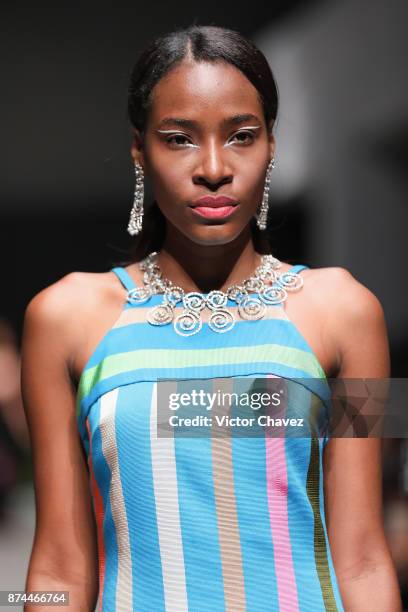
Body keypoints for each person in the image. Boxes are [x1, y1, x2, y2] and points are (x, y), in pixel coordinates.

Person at [21, 25, 402, 612]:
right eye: (179, 139)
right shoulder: (62, 318)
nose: (214, 168)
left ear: (272, 144)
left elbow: (366, 557)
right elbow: (57, 565)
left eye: (242, 136)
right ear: (138, 149)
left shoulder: (351, 312)